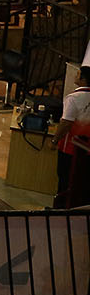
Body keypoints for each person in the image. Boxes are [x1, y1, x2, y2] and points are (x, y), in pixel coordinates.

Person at [56, 64, 90, 209]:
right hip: (86, 150)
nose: (75, 76)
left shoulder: (73, 98)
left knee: (64, 179)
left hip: (69, 148)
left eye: (77, 74)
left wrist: (54, 140)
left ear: (83, 79)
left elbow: (66, 123)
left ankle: (60, 210)